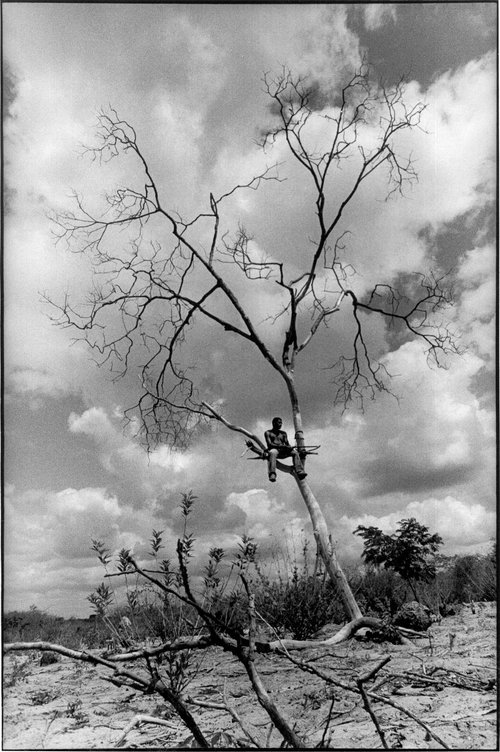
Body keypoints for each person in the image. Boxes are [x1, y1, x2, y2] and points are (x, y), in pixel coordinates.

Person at [264, 417, 307, 482]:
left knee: (295, 452)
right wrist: (282, 446)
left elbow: (287, 444)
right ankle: (272, 474)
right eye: (279, 422)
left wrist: (289, 447)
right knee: (272, 452)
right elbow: (270, 445)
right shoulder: (268, 432)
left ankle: (299, 471)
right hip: (275, 451)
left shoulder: (283, 433)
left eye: (281, 423)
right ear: (274, 423)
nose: (280, 424)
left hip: (283, 451)